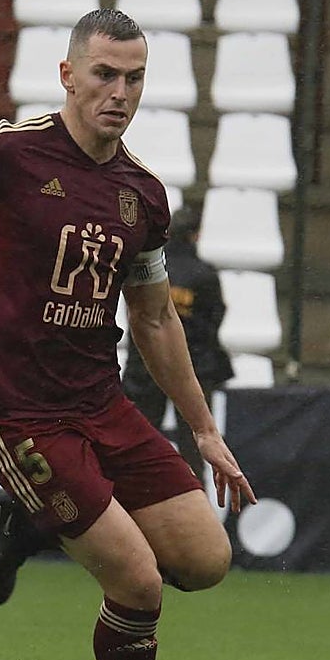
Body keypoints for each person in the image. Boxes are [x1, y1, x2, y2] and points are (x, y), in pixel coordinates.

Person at [0, 8, 256, 660]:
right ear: (68, 75)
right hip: (15, 410)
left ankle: (28, 523)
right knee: (137, 582)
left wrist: (204, 430)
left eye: (134, 78)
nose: (120, 92)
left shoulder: (141, 192)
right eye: (104, 74)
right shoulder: (5, 152)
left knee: (206, 560)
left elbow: (153, 318)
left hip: (101, 404)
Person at [122, 204, 234, 479]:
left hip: (145, 367)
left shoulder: (146, 268)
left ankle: (136, 496)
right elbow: (214, 320)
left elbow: (136, 315)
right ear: (196, 235)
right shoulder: (204, 274)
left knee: (138, 445)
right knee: (196, 445)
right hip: (194, 368)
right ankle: (196, 497)